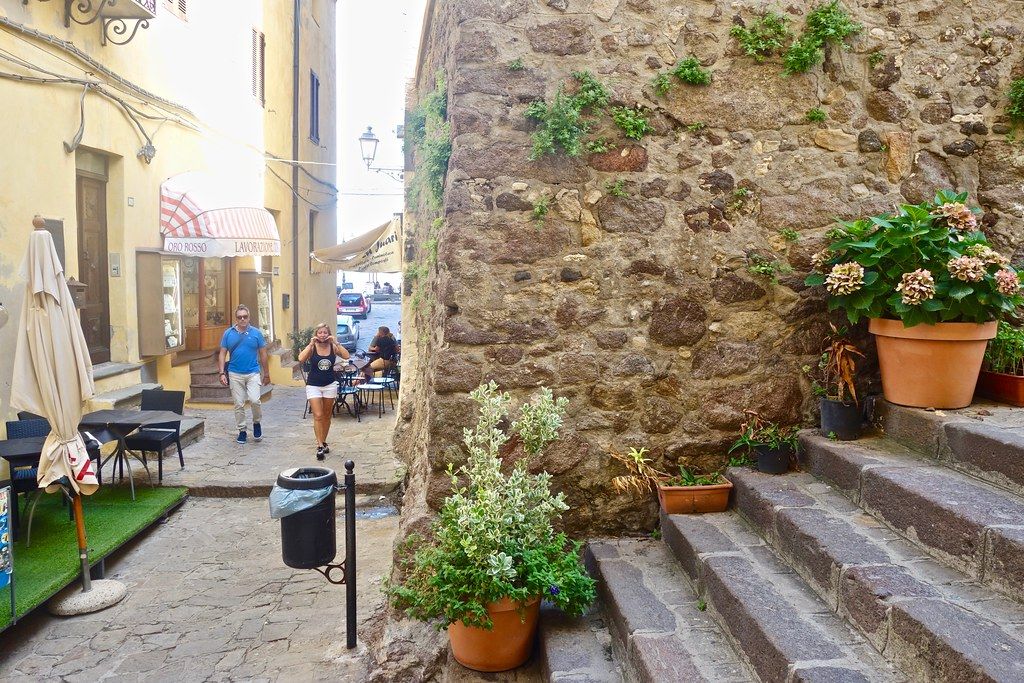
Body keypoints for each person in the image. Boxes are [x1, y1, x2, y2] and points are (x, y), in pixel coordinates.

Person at [297, 323, 350, 460]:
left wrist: (336, 342)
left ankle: (324, 440)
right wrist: (310, 344)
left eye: (325, 332)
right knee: (318, 415)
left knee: (327, 415)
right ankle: (319, 445)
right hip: (313, 385)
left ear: (329, 333)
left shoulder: (332, 346)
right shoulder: (313, 347)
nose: (322, 335)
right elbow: (301, 359)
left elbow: (346, 355)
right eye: (320, 332)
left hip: (329, 384)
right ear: (316, 334)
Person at [218, 304, 270, 444]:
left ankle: (256, 423)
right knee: (239, 404)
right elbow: (222, 353)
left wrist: (266, 373)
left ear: (249, 317)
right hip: (235, 373)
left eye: (245, 317)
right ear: (236, 318)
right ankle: (242, 430)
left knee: (254, 400)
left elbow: (263, 354)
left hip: (253, 372)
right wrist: (222, 373)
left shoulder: (256, 333)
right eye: (239, 317)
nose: (242, 319)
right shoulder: (228, 333)